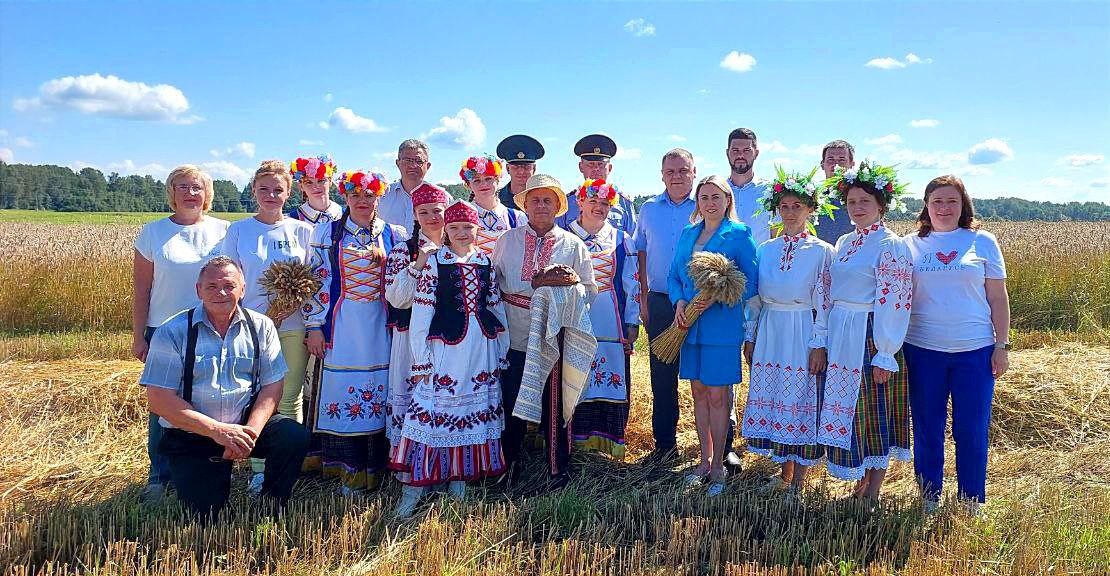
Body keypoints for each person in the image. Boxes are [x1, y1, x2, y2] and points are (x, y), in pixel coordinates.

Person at [140, 256, 309, 518]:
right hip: (194, 435)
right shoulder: (172, 331)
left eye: (229, 286)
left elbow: (273, 386)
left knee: (293, 436)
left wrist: (249, 434)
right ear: (198, 290)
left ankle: (271, 506)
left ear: (243, 289)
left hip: (244, 426)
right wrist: (218, 431)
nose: (221, 292)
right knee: (208, 516)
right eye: (211, 286)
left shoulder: (261, 326)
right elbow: (159, 400)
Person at [391, 199, 510, 516]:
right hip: (445, 349)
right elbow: (421, 314)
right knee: (432, 412)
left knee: (470, 412)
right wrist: (421, 358)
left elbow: (495, 308)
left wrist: (501, 347)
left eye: (467, 227)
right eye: (454, 227)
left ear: (477, 229)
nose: (461, 233)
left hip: (479, 349)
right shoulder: (435, 263)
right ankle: (415, 488)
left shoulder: (485, 262)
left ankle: (457, 480)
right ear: (446, 229)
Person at [904, 175, 1010, 514]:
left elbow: (998, 297)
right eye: (937, 201)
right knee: (926, 426)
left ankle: (971, 501)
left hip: (975, 351)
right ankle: (929, 496)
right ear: (926, 206)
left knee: (971, 428)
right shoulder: (910, 245)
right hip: (923, 349)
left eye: (952, 201)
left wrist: (1002, 345)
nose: (944, 208)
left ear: (963, 205)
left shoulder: (983, 241)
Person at [304, 170, 407, 494]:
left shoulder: (395, 234)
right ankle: (346, 470)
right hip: (343, 326)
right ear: (346, 198)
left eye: (369, 195)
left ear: (378, 198)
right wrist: (314, 327)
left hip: (380, 327)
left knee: (379, 391)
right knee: (340, 391)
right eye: (356, 195)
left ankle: (377, 468)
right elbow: (316, 283)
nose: (363, 201)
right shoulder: (328, 233)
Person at [817, 161, 913, 501]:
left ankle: (873, 487)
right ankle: (860, 480)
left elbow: (896, 300)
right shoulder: (844, 241)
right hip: (843, 331)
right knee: (854, 410)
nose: (857, 209)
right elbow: (829, 290)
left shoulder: (891, 245)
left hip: (871, 333)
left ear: (881, 206)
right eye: (852, 202)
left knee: (876, 409)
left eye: (865, 203)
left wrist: (885, 352)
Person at [132, 165, 230, 501]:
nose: (190, 193)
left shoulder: (224, 231)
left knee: (207, 399)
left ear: (207, 194)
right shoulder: (152, 234)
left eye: (197, 187)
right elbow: (142, 289)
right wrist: (138, 335)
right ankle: (159, 476)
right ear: (171, 192)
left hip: (211, 326)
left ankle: (204, 466)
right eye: (183, 186)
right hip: (163, 330)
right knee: (163, 405)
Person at [493, 174, 596, 490]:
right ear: (524, 204)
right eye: (534, 199)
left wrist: (565, 290)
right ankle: (508, 467)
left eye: (547, 200)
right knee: (510, 402)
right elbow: (492, 284)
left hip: (554, 335)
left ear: (557, 206)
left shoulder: (573, 244)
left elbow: (590, 290)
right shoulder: (507, 240)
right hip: (515, 332)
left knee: (554, 406)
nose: (540, 205)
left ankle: (557, 470)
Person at [220, 160, 314, 494]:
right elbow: (228, 276)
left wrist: (289, 306)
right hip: (251, 328)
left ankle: (284, 467)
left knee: (290, 396)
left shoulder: (303, 231)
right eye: (264, 189)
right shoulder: (239, 230)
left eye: (278, 189)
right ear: (253, 191)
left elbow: (314, 278)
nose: (271, 195)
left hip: (293, 325)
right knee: (255, 397)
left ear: (289, 192)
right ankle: (258, 467)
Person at [740, 168, 836, 494]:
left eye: (798, 206)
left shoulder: (822, 251)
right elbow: (754, 297)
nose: (791, 213)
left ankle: (799, 480)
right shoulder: (765, 249)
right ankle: (783, 472)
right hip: (771, 329)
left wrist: (819, 343)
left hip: (802, 328)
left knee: (799, 396)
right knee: (775, 394)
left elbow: (824, 302)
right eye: (785, 207)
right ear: (777, 210)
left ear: (811, 209)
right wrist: (750, 335)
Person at [668, 175, 759, 496]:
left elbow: (752, 281)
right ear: (698, 202)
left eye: (716, 197)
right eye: (704, 197)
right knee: (698, 394)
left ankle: (719, 467)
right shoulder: (688, 233)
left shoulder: (739, 234)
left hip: (722, 326)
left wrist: (720, 293)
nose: (710, 202)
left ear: (727, 200)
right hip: (690, 326)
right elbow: (674, 274)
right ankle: (703, 462)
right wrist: (679, 299)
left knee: (719, 397)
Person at [567, 179, 640, 459]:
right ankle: (572, 438)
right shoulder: (564, 235)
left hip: (610, 315)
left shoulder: (621, 239)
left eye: (605, 204)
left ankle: (606, 439)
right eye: (593, 201)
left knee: (609, 373)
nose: (598, 208)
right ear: (580, 202)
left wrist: (632, 321)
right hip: (574, 316)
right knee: (575, 373)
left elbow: (632, 283)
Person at [635, 149, 698, 463]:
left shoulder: (706, 206)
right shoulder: (648, 209)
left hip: (701, 305)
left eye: (683, 170)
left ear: (694, 172)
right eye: (670, 171)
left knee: (707, 375)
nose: (676, 176)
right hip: (660, 302)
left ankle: (719, 447)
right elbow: (641, 252)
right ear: (662, 174)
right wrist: (644, 296)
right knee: (662, 376)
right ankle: (665, 445)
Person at [383, 183, 449, 482]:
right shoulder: (403, 250)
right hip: (410, 337)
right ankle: (410, 470)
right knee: (412, 399)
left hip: (449, 339)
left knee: (445, 398)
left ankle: (447, 466)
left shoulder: (458, 246)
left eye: (437, 210)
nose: (432, 217)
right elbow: (397, 298)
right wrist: (420, 261)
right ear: (415, 215)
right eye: (424, 212)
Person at [556, 134, 637, 235]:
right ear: (581, 167)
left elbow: (633, 241)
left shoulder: (624, 203)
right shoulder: (566, 203)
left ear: (610, 168)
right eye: (591, 164)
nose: (596, 169)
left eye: (601, 164)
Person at [461, 154, 527, 255]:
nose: (483, 184)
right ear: (469, 185)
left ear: (497, 180)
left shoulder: (517, 217)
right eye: (476, 181)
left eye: (488, 179)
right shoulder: (461, 217)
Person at [725, 128, 773, 245]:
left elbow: (777, 235)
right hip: (721, 262)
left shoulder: (770, 191)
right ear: (727, 153)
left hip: (760, 263)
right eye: (735, 150)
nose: (740, 155)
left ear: (756, 153)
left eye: (746, 150)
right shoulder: (716, 191)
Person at [380, 139, 432, 236]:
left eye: (419, 161)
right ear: (398, 163)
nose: (413, 165)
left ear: (428, 166)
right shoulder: (382, 196)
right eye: (407, 160)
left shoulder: (443, 198)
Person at [813, 140, 856, 244]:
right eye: (830, 159)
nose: (836, 165)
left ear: (851, 164)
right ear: (822, 164)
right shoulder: (812, 196)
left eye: (841, 160)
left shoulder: (862, 195)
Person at [289, 154, 344, 224]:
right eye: (309, 182)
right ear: (301, 186)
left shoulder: (345, 214)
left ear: (330, 181)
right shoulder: (292, 220)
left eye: (321, 181)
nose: (316, 186)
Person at [496, 134, 544, 207]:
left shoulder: (543, 198)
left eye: (526, 166)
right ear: (507, 169)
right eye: (515, 166)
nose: (521, 171)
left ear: (534, 169)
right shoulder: (496, 199)